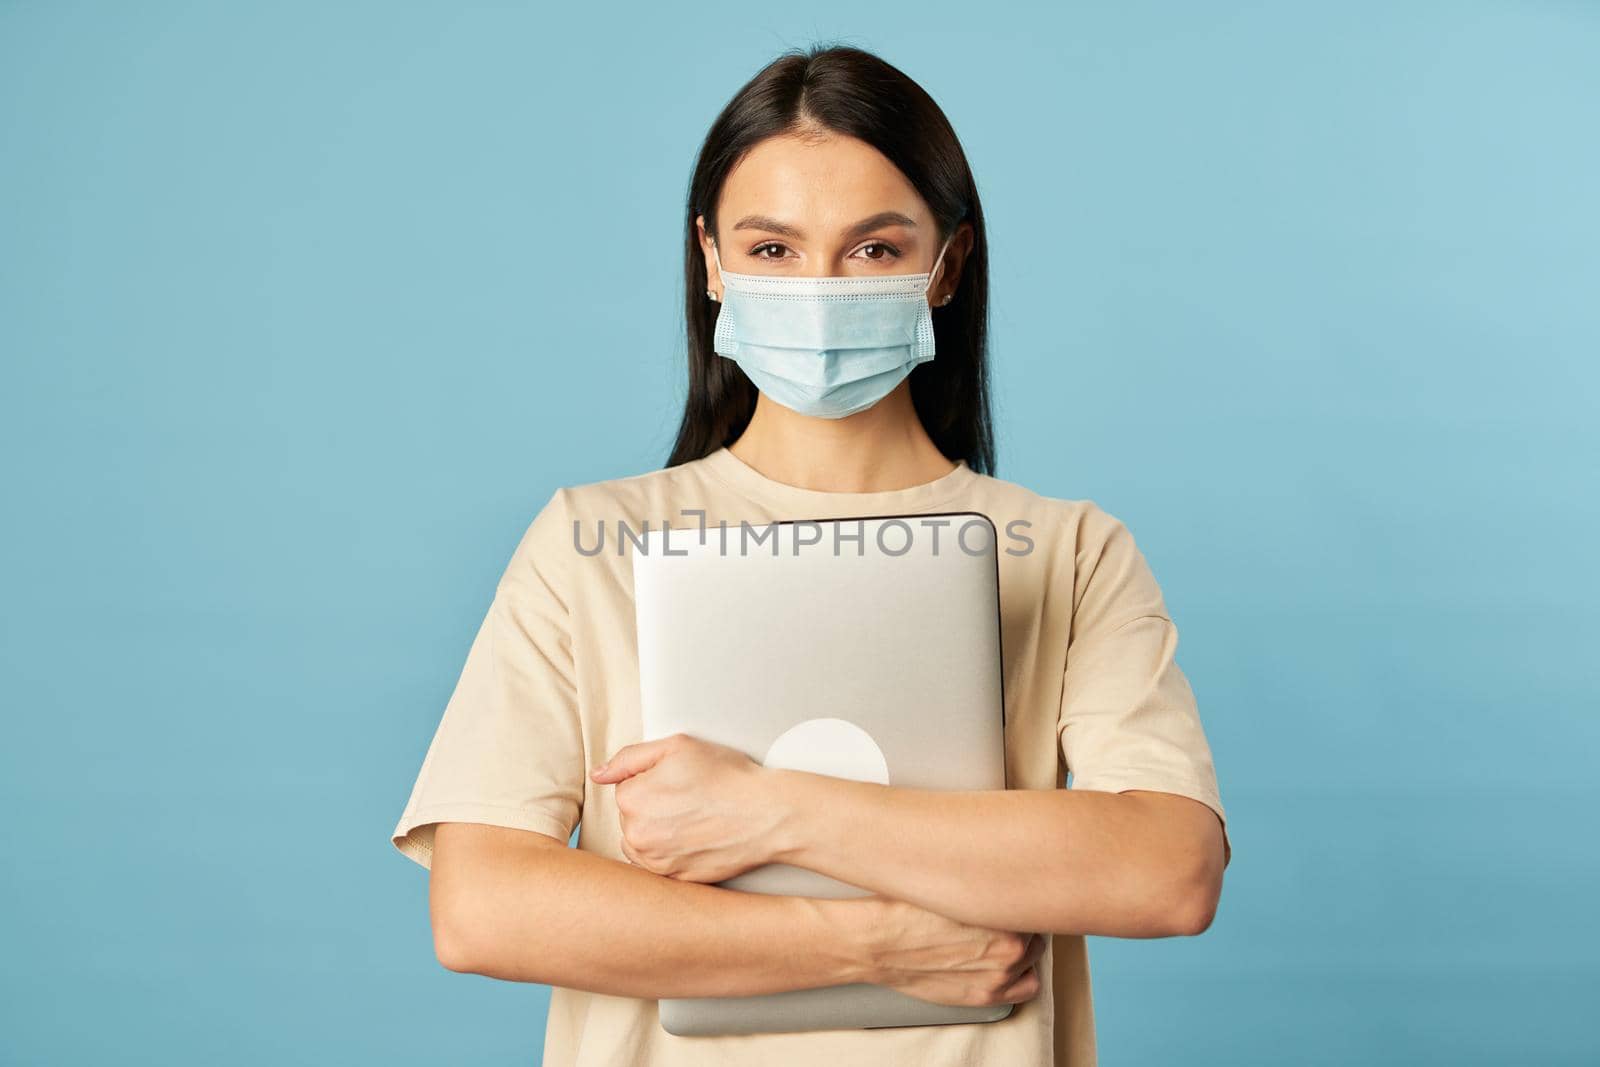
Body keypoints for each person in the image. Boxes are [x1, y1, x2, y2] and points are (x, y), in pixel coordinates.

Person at [390, 43, 1230, 1067]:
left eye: (874, 249)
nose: (820, 288)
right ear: (710, 261)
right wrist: (870, 944)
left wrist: (769, 808)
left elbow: (1165, 871)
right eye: (773, 249)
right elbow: (482, 906)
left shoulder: (1065, 550)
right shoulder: (588, 542)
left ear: (947, 265)